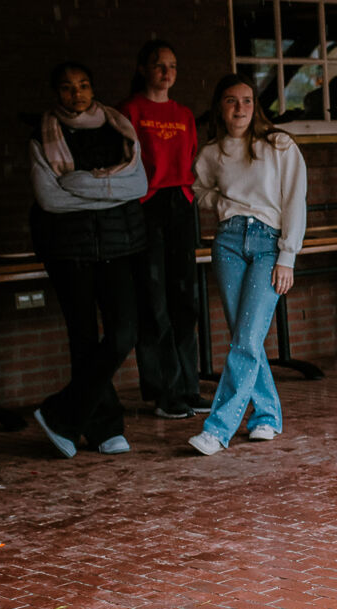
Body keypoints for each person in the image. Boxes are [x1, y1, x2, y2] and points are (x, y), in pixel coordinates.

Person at [29, 61, 148, 458]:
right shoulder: (44, 133)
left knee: (123, 333)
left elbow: (138, 184)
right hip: (67, 250)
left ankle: (61, 412)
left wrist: (79, 184)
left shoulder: (118, 128)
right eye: (66, 88)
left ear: (93, 89)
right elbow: (50, 198)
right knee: (82, 339)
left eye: (82, 85)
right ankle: (104, 427)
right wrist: (105, 187)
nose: (75, 94)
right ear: (55, 93)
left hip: (118, 247)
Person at [188, 75, 307, 455]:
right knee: (246, 337)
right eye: (230, 101)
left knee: (246, 338)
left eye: (247, 101)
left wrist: (288, 256)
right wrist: (222, 204)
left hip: (268, 244)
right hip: (226, 243)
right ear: (219, 107)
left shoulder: (279, 145)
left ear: (255, 106)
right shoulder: (212, 152)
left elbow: (295, 201)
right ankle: (267, 416)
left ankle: (218, 429)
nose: (239, 108)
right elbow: (199, 189)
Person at [119, 39, 209, 420]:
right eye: (159, 65)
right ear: (143, 69)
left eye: (172, 66)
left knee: (185, 299)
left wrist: (186, 195)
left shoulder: (184, 113)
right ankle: (163, 390)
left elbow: (189, 158)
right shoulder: (130, 110)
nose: (166, 72)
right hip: (146, 205)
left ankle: (189, 386)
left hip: (179, 204)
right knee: (154, 301)